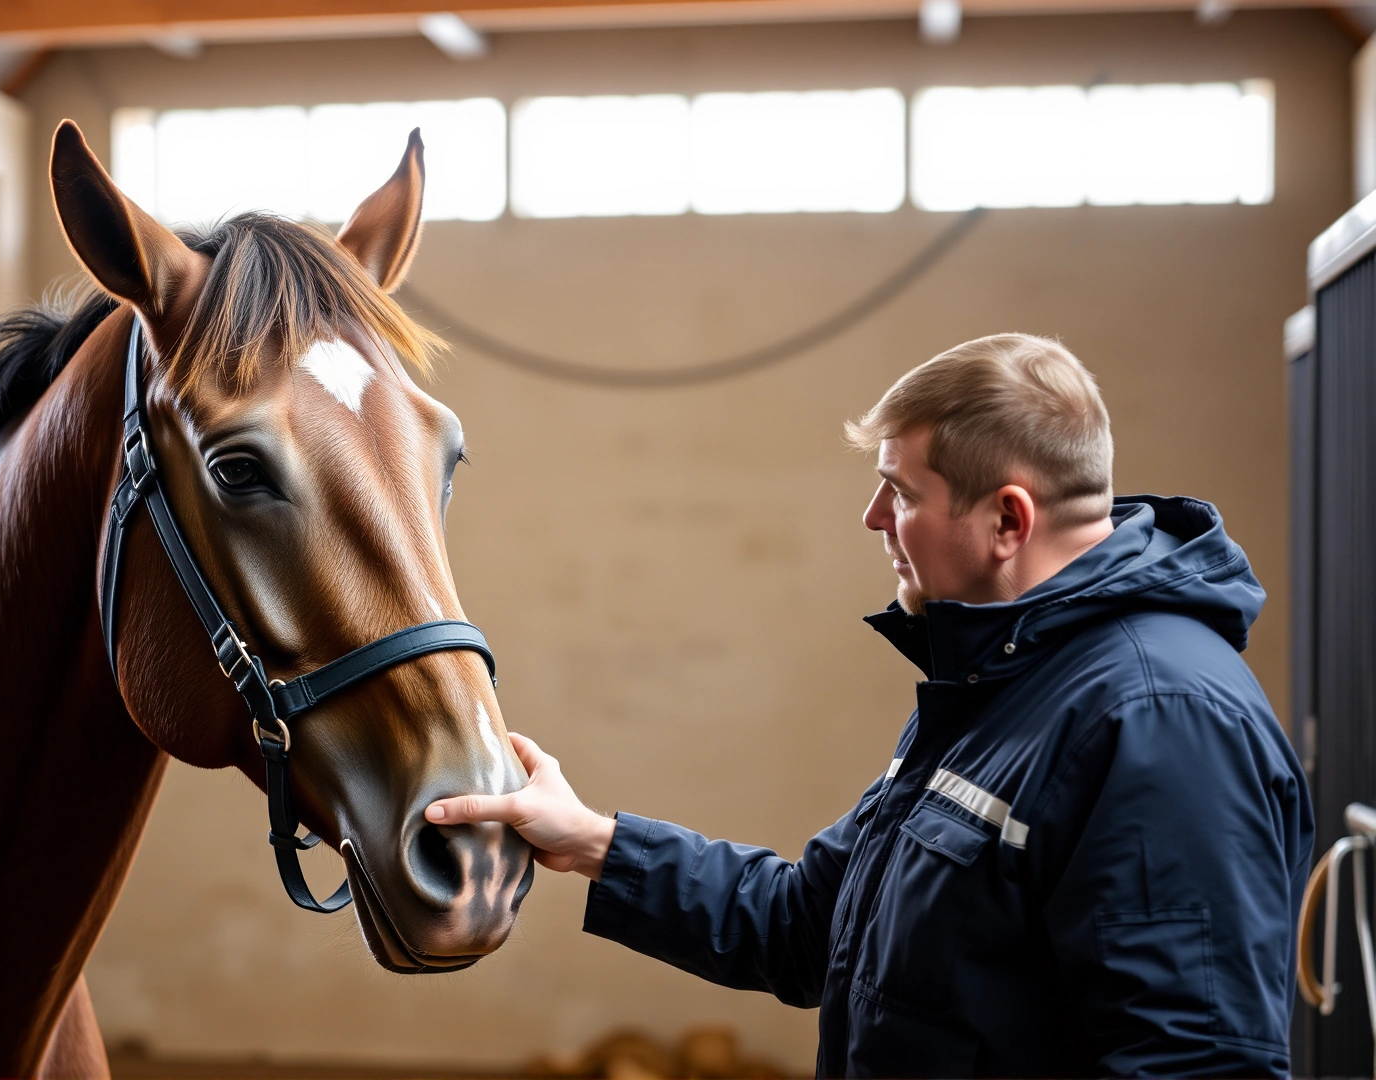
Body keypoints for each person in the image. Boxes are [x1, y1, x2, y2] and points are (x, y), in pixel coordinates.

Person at [427, 334, 1313, 1078]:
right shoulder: (1004, 688)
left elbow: (1196, 1064)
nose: (873, 517)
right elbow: (812, 925)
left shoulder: (1159, 721)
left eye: (902, 491)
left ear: (1008, 520)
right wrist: (593, 840)